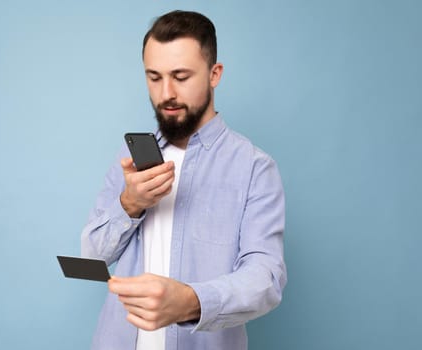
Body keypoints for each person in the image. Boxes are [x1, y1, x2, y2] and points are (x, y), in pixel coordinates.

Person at [81, 10, 286, 350]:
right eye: (154, 77)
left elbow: (266, 278)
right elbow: (91, 256)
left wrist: (192, 300)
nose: (167, 93)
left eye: (181, 76)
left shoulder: (254, 168)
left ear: (214, 74)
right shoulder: (130, 157)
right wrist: (130, 204)